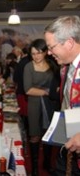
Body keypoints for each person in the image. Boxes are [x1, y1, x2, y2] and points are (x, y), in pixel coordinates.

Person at [44, 15, 80, 175]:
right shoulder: (66, 67)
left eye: (52, 47)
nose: (49, 53)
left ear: (70, 43)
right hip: (69, 139)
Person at [23, 38, 60, 175]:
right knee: (35, 136)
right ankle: (34, 168)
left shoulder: (53, 65)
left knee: (48, 135)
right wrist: (47, 91)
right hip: (35, 104)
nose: (36, 56)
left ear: (45, 52)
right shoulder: (28, 67)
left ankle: (47, 163)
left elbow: (57, 85)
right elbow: (28, 90)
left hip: (51, 104)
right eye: (33, 53)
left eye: (39, 53)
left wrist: (55, 91)